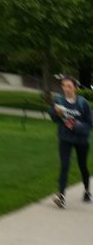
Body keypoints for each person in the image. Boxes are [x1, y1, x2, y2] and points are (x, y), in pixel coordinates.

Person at [49, 75, 92, 208]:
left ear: (75, 87)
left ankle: (87, 191)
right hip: (65, 138)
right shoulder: (59, 100)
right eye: (64, 86)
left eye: (69, 86)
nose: (66, 89)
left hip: (81, 140)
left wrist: (76, 126)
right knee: (65, 165)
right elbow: (54, 118)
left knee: (82, 165)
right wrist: (56, 112)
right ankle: (61, 196)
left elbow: (90, 123)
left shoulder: (82, 103)